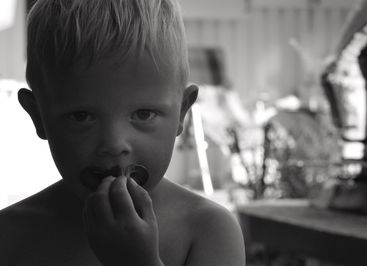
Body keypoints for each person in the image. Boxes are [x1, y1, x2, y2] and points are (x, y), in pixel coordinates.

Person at [0, 0, 246, 265]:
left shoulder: (208, 231)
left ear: (182, 112)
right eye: (82, 117)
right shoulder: (9, 236)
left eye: (143, 114)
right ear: (38, 116)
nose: (115, 144)